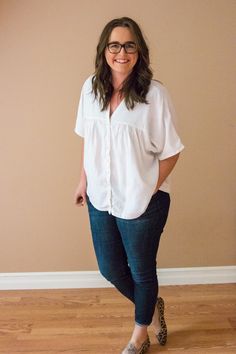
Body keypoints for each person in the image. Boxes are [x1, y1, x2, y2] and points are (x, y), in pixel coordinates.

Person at [74, 17, 184, 354]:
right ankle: (151, 306)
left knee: (141, 271)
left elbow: (172, 151)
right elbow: (90, 142)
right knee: (110, 268)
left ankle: (140, 333)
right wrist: (82, 180)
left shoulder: (154, 94)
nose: (122, 52)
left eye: (130, 44)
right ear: (104, 50)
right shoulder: (90, 88)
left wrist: (148, 187)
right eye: (115, 45)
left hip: (141, 201)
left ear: (139, 51)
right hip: (99, 197)